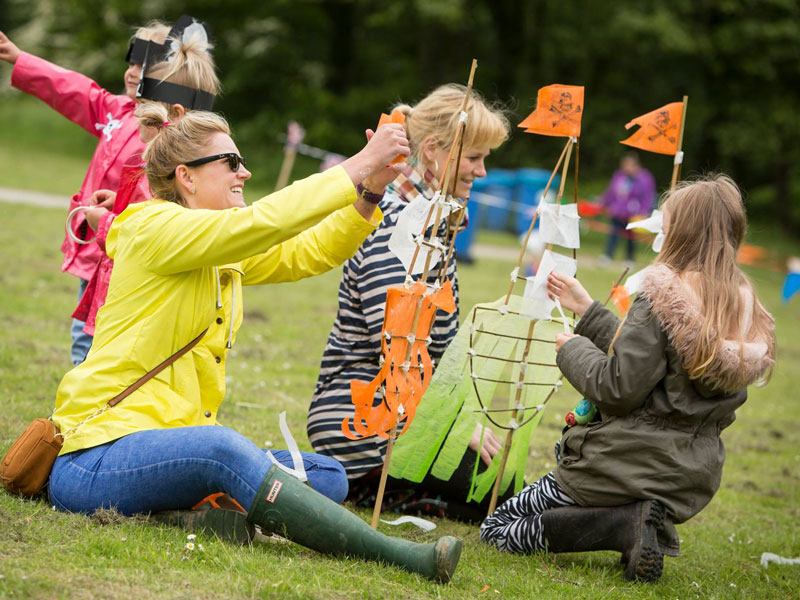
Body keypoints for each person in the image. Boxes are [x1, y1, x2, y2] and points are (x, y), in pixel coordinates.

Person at [47, 107, 463, 582]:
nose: (245, 171)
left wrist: (371, 191)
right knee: (221, 449)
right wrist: (360, 162)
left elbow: (311, 251)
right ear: (185, 177)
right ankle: (396, 554)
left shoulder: (220, 250)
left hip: (173, 451)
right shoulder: (150, 227)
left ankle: (188, 512)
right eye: (230, 161)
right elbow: (268, 221)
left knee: (326, 474)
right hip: (95, 456)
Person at [480, 174, 775, 582]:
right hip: (684, 476)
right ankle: (634, 522)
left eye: (664, 226)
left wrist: (571, 349)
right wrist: (588, 311)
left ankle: (622, 524)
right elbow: (653, 363)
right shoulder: (739, 306)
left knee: (496, 529)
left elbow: (617, 388)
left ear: (679, 233)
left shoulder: (662, 297)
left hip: (620, 464)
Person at [307, 84, 510, 521]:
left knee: (499, 487)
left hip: (405, 417)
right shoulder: (399, 222)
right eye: (474, 157)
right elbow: (398, 344)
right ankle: (376, 487)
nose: (482, 171)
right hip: (361, 423)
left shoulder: (433, 220)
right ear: (435, 151)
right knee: (497, 493)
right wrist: (452, 422)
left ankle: (415, 496)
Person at [0, 24, 165, 365]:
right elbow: (72, 89)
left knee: (108, 339)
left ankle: (94, 407)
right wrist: (22, 60)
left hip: (127, 256)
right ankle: (85, 404)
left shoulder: (168, 132)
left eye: (143, 67)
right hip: (94, 249)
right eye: (130, 63)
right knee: (83, 336)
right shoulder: (116, 112)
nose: (132, 73)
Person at [77, 16, 222, 339]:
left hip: (142, 307)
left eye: (142, 106)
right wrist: (122, 202)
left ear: (174, 114)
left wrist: (103, 221)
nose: (135, 114)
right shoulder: (180, 167)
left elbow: (150, 235)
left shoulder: (175, 175)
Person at [599, 152, 655, 266]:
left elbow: (648, 196)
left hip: (634, 214)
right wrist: (604, 204)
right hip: (618, 212)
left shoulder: (645, 178)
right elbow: (611, 192)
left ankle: (629, 259)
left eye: (629, 165)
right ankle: (607, 256)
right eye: (624, 165)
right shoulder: (619, 176)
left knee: (631, 237)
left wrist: (644, 211)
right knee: (614, 234)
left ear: (636, 165)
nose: (626, 167)